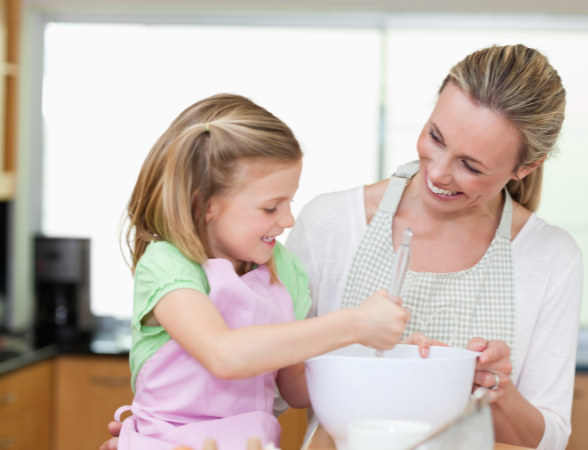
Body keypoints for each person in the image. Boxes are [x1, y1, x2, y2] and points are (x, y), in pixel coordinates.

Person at [284, 44, 582, 450]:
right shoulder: (330, 224)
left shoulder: (551, 256)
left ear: (524, 168)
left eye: (471, 166)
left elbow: (549, 440)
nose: (438, 172)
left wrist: (496, 390)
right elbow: (278, 391)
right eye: (435, 137)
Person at [110, 94, 409, 450]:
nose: (288, 220)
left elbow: (297, 390)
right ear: (204, 204)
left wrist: (398, 364)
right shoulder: (167, 263)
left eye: (289, 202)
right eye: (270, 208)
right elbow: (224, 354)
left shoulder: (285, 271)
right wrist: (353, 323)